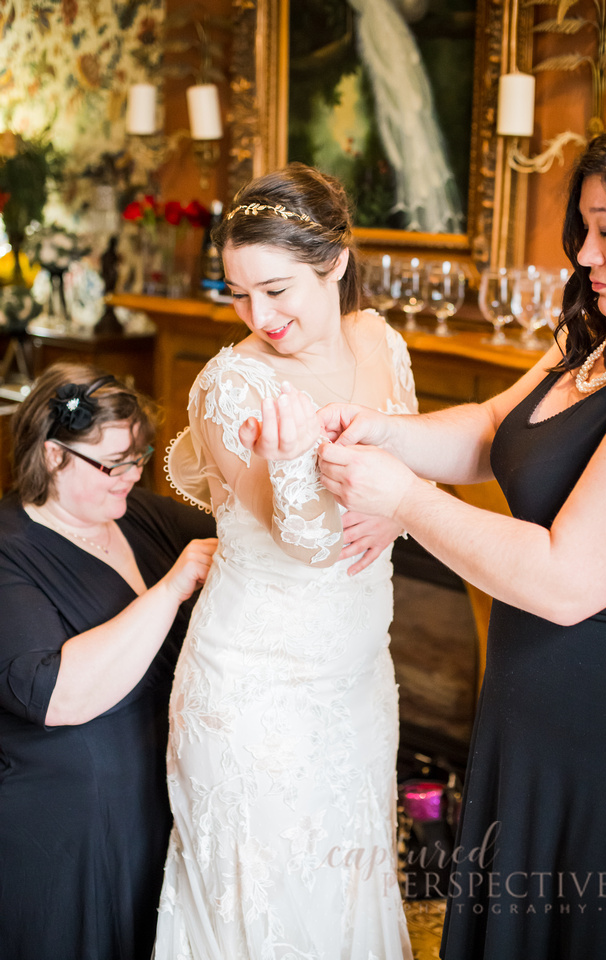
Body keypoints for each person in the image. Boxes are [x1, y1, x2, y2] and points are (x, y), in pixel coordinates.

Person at [246, 124, 606, 958]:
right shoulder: (597, 336)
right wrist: (381, 432)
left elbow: (567, 579)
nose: (585, 255)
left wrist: (407, 501)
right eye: (584, 228)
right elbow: (491, 428)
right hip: (527, 709)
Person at [154, 163, 417, 959]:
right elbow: (305, 543)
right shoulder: (229, 385)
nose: (257, 314)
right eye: (237, 293)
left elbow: (415, 462)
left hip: (357, 680)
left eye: (276, 289)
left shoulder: (379, 340)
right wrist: (294, 460)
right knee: (265, 912)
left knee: (346, 892)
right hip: (252, 696)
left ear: (334, 262)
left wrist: (399, 515)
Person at [0, 362, 217, 960]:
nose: (129, 475)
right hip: (66, 841)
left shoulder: (139, 516)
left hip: (152, 816)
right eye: (111, 463)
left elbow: (241, 539)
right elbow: (57, 694)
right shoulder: (8, 552)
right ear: (51, 455)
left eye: (137, 457)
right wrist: (171, 589)